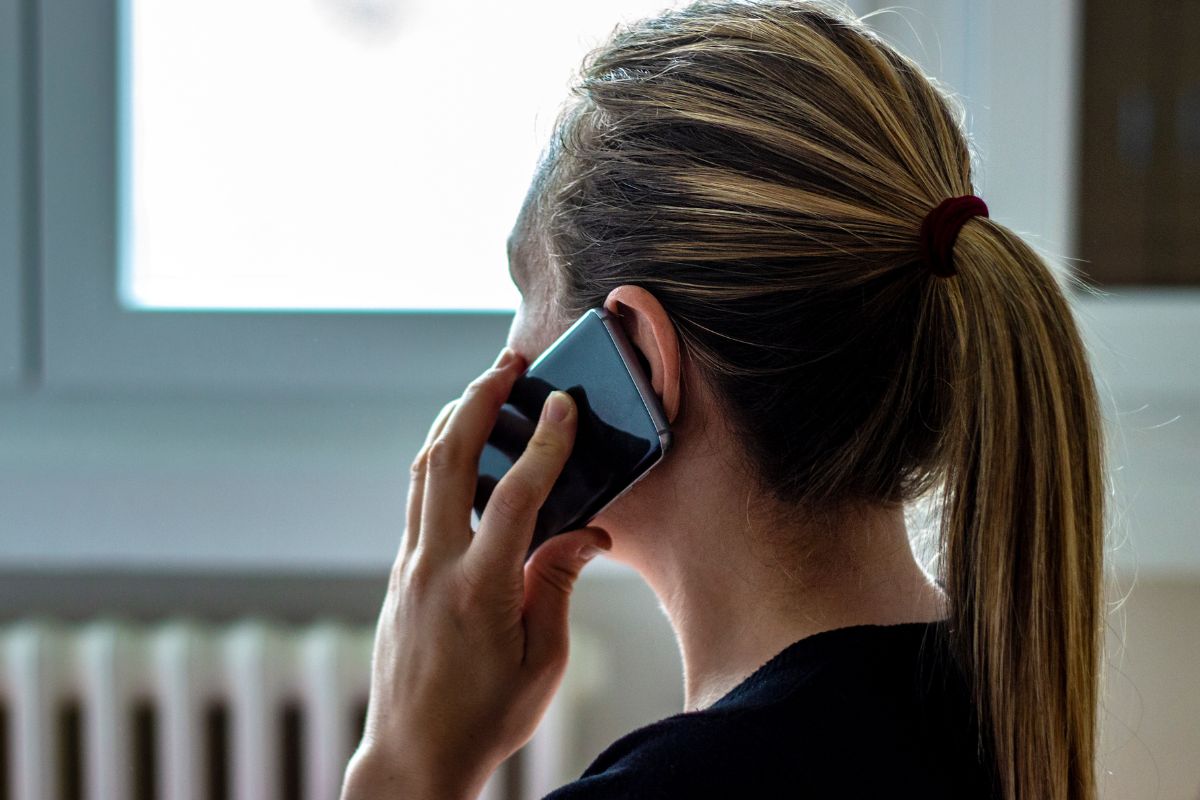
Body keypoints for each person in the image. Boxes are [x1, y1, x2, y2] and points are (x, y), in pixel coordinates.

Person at [340, 1, 1107, 799]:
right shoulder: (997, 709)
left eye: (524, 290)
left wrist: (405, 763)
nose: (508, 359)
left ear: (635, 350)